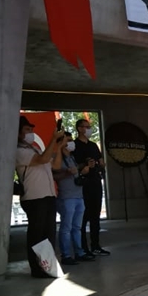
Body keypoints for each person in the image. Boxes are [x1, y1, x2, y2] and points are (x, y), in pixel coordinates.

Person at [16, 116, 64, 278]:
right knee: (37, 235)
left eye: (31, 129)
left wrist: (59, 146)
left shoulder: (34, 149)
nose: (31, 133)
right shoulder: (19, 151)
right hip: (34, 198)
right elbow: (43, 159)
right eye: (27, 130)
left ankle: (48, 266)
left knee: (48, 233)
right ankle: (36, 268)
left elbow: (55, 165)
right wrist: (52, 139)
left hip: (48, 196)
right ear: (18, 133)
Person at [53, 132, 94, 265]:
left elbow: (75, 173)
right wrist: (67, 173)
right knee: (66, 227)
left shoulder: (72, 158)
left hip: (78, 195)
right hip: (66, 197)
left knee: (77, 226)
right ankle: (65, 255)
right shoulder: (56, 158)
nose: (72, 143)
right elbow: (54, 176)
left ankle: (79, 252)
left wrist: (81, 172)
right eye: (68, 140)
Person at [73, 117, 110, 256]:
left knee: (95, 216)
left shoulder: (93, 145)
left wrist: (99, 165)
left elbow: (101, 162)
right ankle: (83, 248)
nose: (88, 129)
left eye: (89, 127)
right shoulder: (75, 145)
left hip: (95, 182)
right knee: (83, 217)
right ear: (79, 129)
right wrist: (85, 165)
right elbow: (73, 165)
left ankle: (96, 245)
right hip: (83, 184)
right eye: (85, 127)